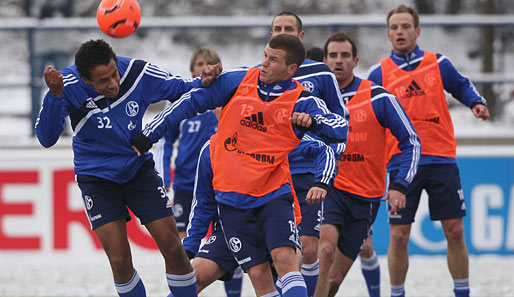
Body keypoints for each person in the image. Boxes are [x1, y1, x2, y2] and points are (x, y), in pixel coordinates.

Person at [131, 34, 349, 297]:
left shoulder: (301, 101)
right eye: (265, 55)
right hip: (233, 208)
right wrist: (150, 133)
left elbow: (340, 128)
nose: (264, 63)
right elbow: (191, 100)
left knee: (285, 261)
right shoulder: (235, 87)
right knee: (251, 275)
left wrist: (315, 126)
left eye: (273, 59)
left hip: (273, 200)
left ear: (291, 69)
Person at [35, 39, 221, 297]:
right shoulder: (66, 85)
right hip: (96, 179)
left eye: (114, 74)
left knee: (173, 247)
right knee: (120, 262)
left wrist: (206, 78)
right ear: (86, 80)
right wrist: (54, 97)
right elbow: (46, 138)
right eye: (103, 81)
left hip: (138, 169)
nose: (114, 83)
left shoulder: (136, 72)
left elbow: (182, 87)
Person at [366, 5, 490, 297]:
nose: (400, 32)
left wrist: (476, 102)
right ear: (388, 34)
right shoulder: (379, 73)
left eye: (406, 26)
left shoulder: (438, 63)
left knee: (455, 231)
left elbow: (461, 85)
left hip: (441, 158)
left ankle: (462, 292)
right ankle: (397, 293)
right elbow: (364, 111)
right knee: (398, 236)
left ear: (417, 31)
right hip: (401, 162)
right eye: (395, 27)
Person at [313, 31, 420, 297]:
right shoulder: (313, 100)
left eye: (345, 55)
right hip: (330, 188)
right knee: (324, 251)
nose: (339, 61)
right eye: (334, 56)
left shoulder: (378, 97)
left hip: (366, 198)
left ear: (355, 60)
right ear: (325, 61)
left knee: (334, 279)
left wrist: (400, 184)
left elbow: (411, 141)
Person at [181, 134, 336, 297]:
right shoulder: (211, 147)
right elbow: (203, 204)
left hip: (273, 219)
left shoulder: (270, 132)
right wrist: (191, 245)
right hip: (232, 225)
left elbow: (323, 150)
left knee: (285, 263)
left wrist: (322, 182)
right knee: (197, 276)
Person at [270, 12, 350, 296]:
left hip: (309, 171)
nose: (283, 32)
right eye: (278, 28)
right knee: (278, 250)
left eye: (288, 28)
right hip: (273, 171)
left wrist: (333, 157)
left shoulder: (321, 73)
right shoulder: (261, 73)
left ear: (300, 36)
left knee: (310, 246)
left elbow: (340, 119)